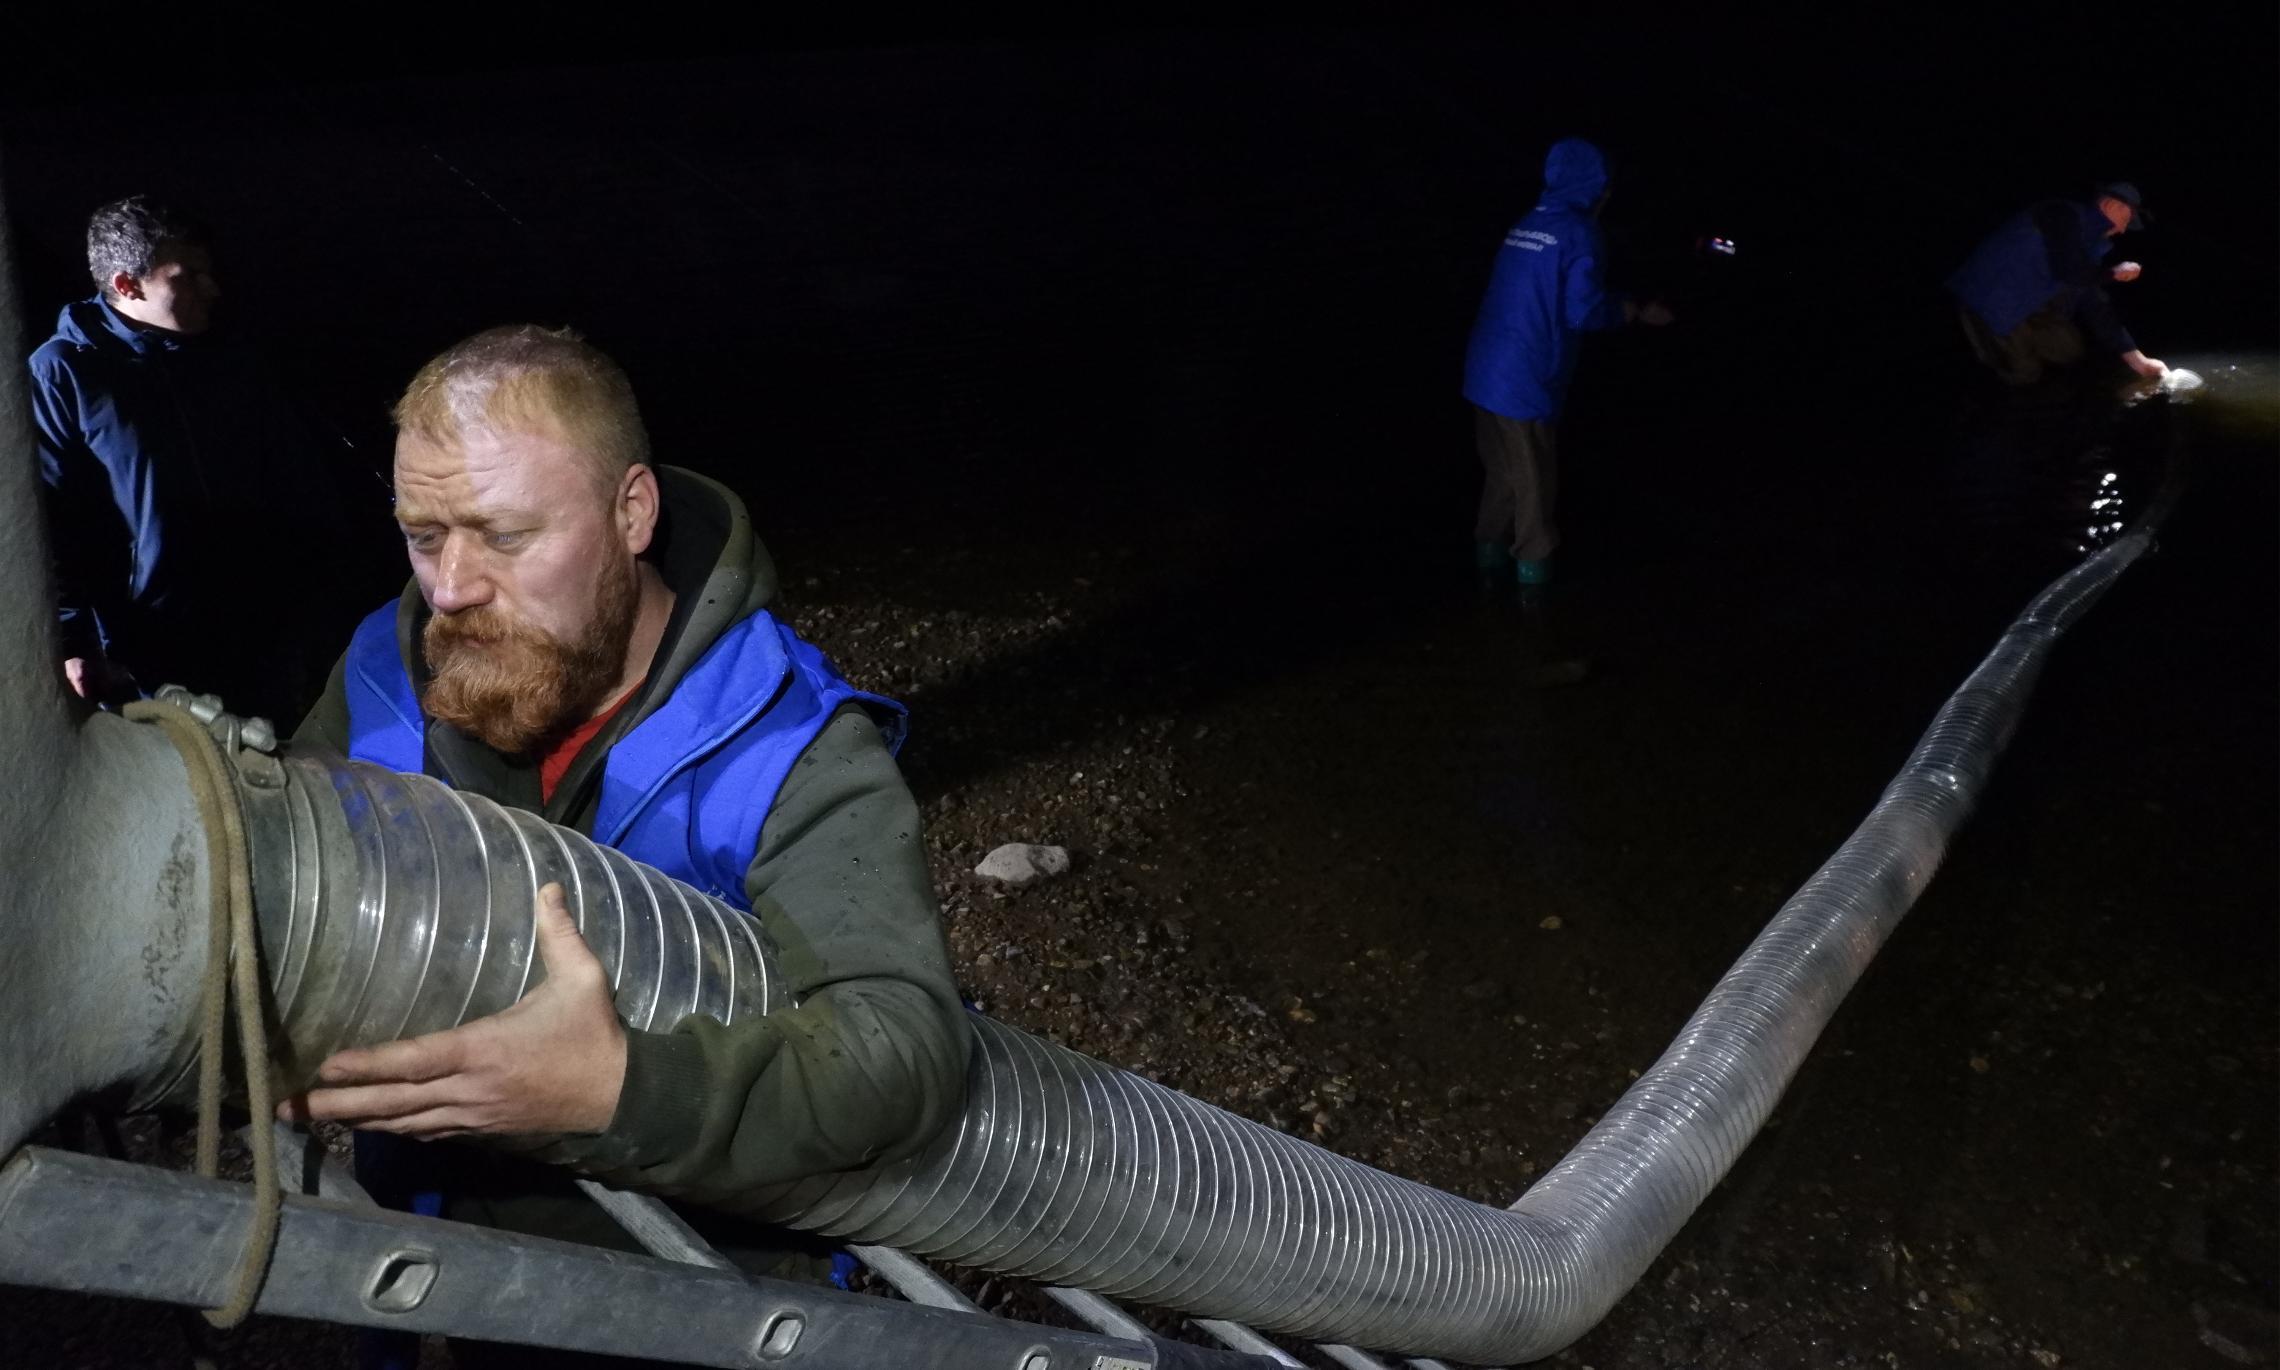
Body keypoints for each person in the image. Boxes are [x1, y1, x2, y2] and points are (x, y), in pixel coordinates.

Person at [284, 326, 970, 1360]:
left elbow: (903, 1046)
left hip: (698, 1299)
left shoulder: (792, 746)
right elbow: (284, 880)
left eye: (503, 535)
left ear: (631, 511)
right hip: (425, 1273)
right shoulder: (384, 670)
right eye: (425, 535)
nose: (452, 586)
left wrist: (618, 1089)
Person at [29, 195, 347, 721]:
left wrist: (316, 597)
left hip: (261, 638)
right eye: (188, 275)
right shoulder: (62, 372)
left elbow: (298, 481)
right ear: (127, 285)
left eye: (210, 271)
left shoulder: (234, 358)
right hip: (147, 655)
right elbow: (50, 518)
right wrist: (72, 641)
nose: (211, 289)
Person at [1463, 138, 1672, 588]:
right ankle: (1535, 619)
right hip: (1523, 382)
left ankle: (1483, 585)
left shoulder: (1527, 220)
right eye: (1607, 188)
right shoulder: (1580, 232)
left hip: (1482, 372)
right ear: (1597, 189)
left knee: (1502, 476)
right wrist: (1632, 310)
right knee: (1535, 496)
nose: (1608, 196)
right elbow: (1583, 311)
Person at [1948, 181, 2168, 387]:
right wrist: (2114, 273)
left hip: (2028, 304)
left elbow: (2096, 303)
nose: (2122, 230)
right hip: (1989, 302)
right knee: (2024, 375)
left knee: (2068, 349)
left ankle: (2021, 354)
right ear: (2111, 205)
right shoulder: (2059, 214)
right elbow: (2069, 269)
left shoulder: (2090, 248)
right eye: (2126, 220)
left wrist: (2137, 359)